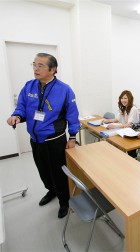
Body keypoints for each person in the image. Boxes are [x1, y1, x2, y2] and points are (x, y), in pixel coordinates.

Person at [7, 53, 80, 219]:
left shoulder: (64, 90)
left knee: (58, 174)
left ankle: (64, 201)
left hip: (55, 141)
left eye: (40, 66)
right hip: (36, 140)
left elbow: (72, 115)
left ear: (53, 69)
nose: (35, 69)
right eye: (34, 64)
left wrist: (73, 137)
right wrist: (17, 116)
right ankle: (51, 191)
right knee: (43, 171)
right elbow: (22, 107)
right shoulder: (29, 86)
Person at [102, 90, 139, 158]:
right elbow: (117, 119)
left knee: (130, 152)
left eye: (125, 98)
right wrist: (108, 120)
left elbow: (129, 124)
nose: (123, 100)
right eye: (121, 98)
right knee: (111, 140)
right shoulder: (124, 108)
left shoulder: (133, 109)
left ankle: (132, 161)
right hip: (124, 130)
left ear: (130, 99)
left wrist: (115, 126)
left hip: (132, 133)